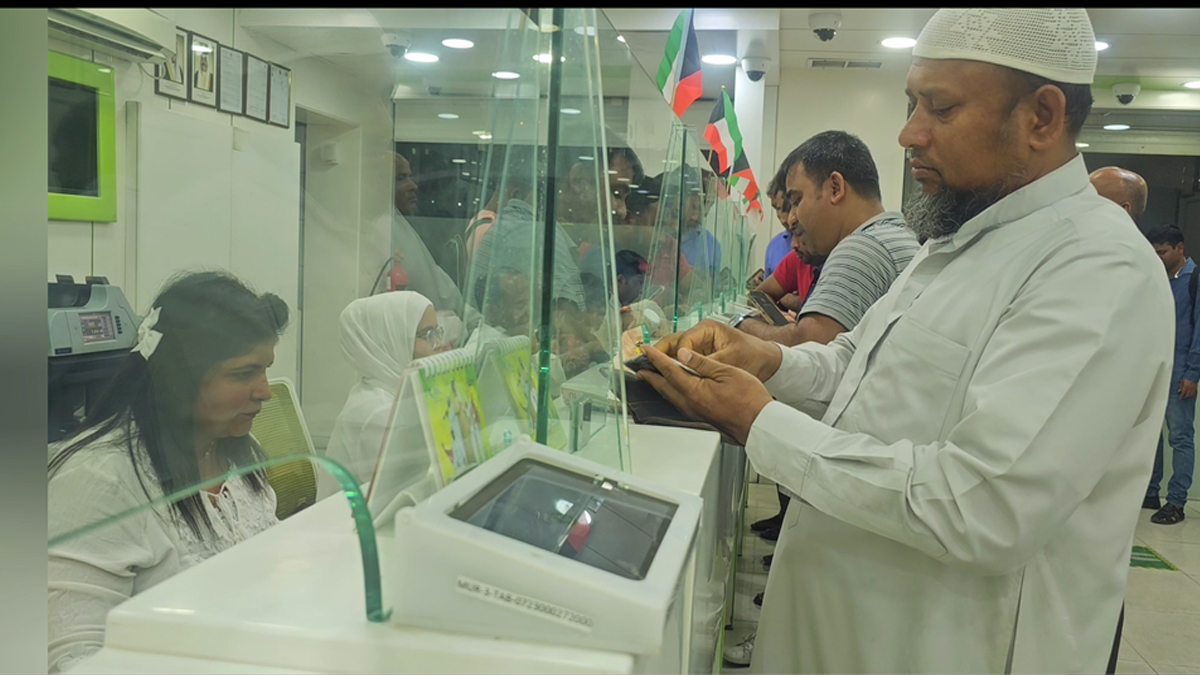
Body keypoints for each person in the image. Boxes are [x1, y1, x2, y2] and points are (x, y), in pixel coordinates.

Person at [637, 9, 1174, 673]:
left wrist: (760, 421)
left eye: (939, 109)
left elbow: (982, 504)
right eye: (911, 103)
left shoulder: (1096, 267)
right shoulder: (953, 242)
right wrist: (767, 360)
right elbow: (855, 369)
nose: (909, 133)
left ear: (1042, 117)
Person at [48, 271, 291, 673]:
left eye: (265, 368)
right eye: (243, 373)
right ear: (181, 375)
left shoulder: (236, 452)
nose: (265, 391)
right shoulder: (100, 479)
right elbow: (71, 659)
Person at [736, 131, 919, 348]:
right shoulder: (901, 236)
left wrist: (740, 325)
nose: (792, 218)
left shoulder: (862, 249)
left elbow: (808, 349)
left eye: (797, 201)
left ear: (835, 188)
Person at [317, 291, 448, 500]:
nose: (439, 343)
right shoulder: (375, 413)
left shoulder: (401, 393)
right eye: (427, 334)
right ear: (391, 340)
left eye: (438, 332)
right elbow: (410, 490)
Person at [1143, 223, 1199, 525]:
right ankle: (1150, 492)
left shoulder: (1194, 280)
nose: (1158, 257)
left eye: (1163, 252)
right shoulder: (1155, 279)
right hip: (1154, 368)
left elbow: (1199, 331)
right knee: (1150, 434)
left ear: (1180, 248)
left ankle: (1176, 501)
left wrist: (1193, 373)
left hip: (1180, 370)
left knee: (1180, 437)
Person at [388, 151, 464, 315]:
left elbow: (443, 291)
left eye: (410, 177)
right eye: (400, 178)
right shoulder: (382, 230)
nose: (413, 186)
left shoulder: (402, 228)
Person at [761, 177, 793, 282]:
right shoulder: (773, 247)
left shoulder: (818, 246)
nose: (780, 217)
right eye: (776, 209)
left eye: (783, 208)